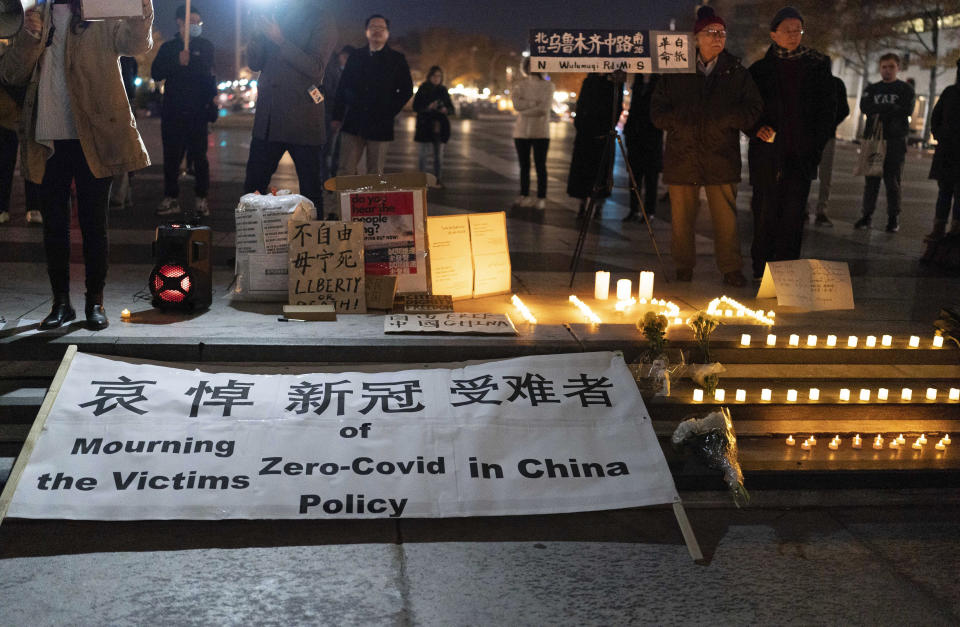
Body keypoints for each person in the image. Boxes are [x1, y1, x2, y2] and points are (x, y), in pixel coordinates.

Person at [2, 0, 154, 331]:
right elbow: (11, 72)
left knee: (93, 223)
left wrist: (142, 10)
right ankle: (61, 303)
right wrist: (28, 34)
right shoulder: (35, 15)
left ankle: (94, 302)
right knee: (53, 226)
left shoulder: (99, 12)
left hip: (93, 135)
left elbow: (136, 44)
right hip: (47, 139)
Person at [650, 6, 762, 286]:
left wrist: (728, 120)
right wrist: (678, 122)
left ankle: (730, 268)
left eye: (722, 33)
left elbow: (754, 107)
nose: (717, 38)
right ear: (695, 38)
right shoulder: (676, 70)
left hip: (720, 155)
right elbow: (657, 111)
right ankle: (683, 266)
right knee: (682, 219)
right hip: (682, 155)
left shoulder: (735, 71)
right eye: (711, 33)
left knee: (725, 219)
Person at [748, 6, 836, 280]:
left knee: (794, 214)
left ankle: (785, 272)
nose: (793, 35)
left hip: (801, 153)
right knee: (764, 210)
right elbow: (747, 107)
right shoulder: (760, 70)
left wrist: (816, 146)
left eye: (798, 29)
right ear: (773, 34)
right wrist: (755, 128)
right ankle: (761, 267)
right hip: (767, 153)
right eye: (787, 30)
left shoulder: (818, 65)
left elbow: (829, 110)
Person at [243, 0, 337, 214]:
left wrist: (279, 39)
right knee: (253, 188)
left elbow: (316, 68)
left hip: (302, 119)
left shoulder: (320, 17)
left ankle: (314, 243)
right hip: (268, 119)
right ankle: (251, 240)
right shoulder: (273, 12)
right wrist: (256, 34)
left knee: (311, 191)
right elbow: (255, 63)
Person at [152, 3, 216, 218]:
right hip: (173, 112)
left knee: (200, 158)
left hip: (197, 113)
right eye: (192, 21)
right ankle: (171, 197)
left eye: (199, 22)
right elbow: (156, 73)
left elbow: (207, 73)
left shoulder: (205, 46)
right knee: (171, 157)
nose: (196, 25)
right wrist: (176, 62)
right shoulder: (168, 48)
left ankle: (201, 198)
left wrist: (191, 61)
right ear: (180, 22)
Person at [332, 14, 413, 177]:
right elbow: (343, 87)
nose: (377, 31)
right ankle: (343, 203)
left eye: (381, 28)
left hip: (380, 123)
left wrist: (389, 111)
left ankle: (372, 203)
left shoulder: (396, 59)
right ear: (366, 31)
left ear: (387, 33)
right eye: (373, 27)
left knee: (375, 173)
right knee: (345, 170)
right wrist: (337, 116)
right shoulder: (356, 56)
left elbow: (406, 89)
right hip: (353, 121)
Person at [854, 53, 915, 233]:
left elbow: (905, 110)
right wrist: (890, 109)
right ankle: (866, 215)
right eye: (884, 67)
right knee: (871, 178)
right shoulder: (872, 89)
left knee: (893, 180)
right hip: (874, 138)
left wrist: (881, 111)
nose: (887, 70)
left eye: (891, 67)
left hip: (895, 139)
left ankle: (893, 217)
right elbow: (865, 108)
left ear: (898, 68)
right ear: (880, 68)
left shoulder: (905, 89)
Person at [567, 73, 622, 219]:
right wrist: (579, 124)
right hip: (585, 134)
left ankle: (599, 205)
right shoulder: (589, 80)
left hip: (603, 135)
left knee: (601, 172)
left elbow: (617, 108)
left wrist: (609, 128)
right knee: (584, 171)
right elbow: (581, 105)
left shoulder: (614, 82)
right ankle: (582, 203)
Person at [0, 41, 41, 226]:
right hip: (6, 109)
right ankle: (3, 207)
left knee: (32, 160)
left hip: (26, 103)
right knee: (4, 161)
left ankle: (34, 206)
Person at [511, 57, 554, 210]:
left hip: (541, 131)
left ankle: (541, 197)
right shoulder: (520, 85)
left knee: (540, 165)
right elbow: (516, 105)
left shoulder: (548, 86)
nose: (531, 68)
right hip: (521, 132)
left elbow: (544, 109)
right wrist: (532, 103)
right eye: (529, 64)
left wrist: (525, 108)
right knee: (524, 166)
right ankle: (524, 194)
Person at [926, 59, 960, 241]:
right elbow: (936, 116)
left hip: (948, 150)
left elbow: (936, 117)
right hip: (947, 151)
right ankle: (939, 229)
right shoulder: (950, 92)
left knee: (952, 192)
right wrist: (938, 134)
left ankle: (954, 230)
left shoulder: (950, 92)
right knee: (945, 191)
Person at [623, 73, 663, 222]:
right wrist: (628, 132)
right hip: (635, 138)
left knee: (651, 179)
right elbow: (633, 109)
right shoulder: (638, 82)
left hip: (652, 137)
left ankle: (649, 212)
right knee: (634, 178)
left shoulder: (659, 82)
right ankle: (633, 209)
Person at [811, 76, 850, 227]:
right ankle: (821, 210)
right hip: (824, 134)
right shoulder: (836, 83)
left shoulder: (812, 81)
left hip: (814, 134)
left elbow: (844, 109)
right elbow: (844, 110)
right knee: (825, 174)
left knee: (815, 173)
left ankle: (810, 208)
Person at [413, 66, 453, 187]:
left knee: (438, 156)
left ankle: (437, 179)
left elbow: (451, 108)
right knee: (423, 156)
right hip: (425, 125)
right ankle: (421, 180)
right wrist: (428, 107)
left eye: (439, 76)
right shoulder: (423, 88)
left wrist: (446, 109)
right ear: (430, 76)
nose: (437, 78)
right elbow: (416, 106)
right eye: (434, 76)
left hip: (440, 127)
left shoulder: (443, 90)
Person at [109, 55, 141, 209]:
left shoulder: (125, 57)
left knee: (121, 149)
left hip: (121, 103)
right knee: (123, 149)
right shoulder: (128, 57)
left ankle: (118, 195)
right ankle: (122, 194)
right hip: (124, 101)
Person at [322, 45, 354, 178]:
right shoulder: (331, 70)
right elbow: (329, 91)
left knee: (338, 150)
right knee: (326, 148)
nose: (346, 61)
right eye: (345, 57)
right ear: (340, 55)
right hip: (329, 113)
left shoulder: (347, 71)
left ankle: (332, 176)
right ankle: (324, 177)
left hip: (341, 115)